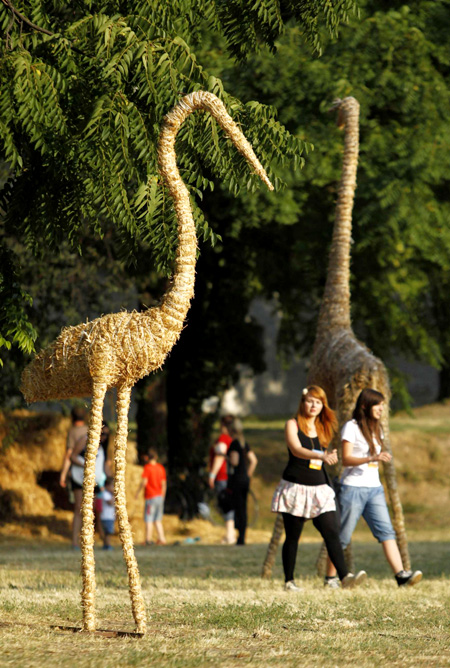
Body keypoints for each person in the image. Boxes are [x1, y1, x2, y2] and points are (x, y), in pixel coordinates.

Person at [271, 385, 367, 591]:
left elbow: (324, 454)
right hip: (296, 487)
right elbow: (297, 450)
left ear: (323, 406)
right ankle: (289, 581)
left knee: (332, 531)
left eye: (318, 402)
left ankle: (344, 578)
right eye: (310, 401)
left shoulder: (324, 427)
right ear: (302, 402)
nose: (314, 405)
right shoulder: (292, 424)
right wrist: (321, 456)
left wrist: (328, 457)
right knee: (293, 536)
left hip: (319, 488)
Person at [326, 388, 422, 587]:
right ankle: (330, 579)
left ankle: (401, 576)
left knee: (387, 532)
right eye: (377, 404)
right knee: (342, 536)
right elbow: (346, 459)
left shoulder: (377, 429)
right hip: (352, 489)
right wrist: (372, 458)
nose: (381, 409)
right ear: (364, 406)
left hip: (374, 489)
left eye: (382, 404)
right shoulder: (351, 427)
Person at [69, 428, 109, 549]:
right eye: (102, 434)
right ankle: (75, 542)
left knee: (95, 510)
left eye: (106, 435)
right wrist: (85, 465)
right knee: (79, 509)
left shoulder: (102, 448)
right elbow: (73, 456)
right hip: (79, 478)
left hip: (94, 481)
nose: (104, 437)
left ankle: (101, 541)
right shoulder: (84, 441)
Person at [227, 418, 258, 546]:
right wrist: (248, 474)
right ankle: (243, 535)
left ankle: (240, 536)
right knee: (243, 507)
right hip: (245, 479)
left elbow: (234, 461)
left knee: (238, 507)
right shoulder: (245, 443)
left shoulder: (234, 444)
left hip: (237, 479)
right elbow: (254, 461)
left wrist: (226, 457)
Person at [208, 415, 235, 544]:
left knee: (225, 504)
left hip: (222, 476)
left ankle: (230, 535)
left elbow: (220, 457)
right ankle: (230, 534)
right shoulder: (231, 439)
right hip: (229, 475)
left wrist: (212, 475)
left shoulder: (223, 439)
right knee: (229, 504)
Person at [135, 448, 167, 546]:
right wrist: (163, 496)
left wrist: (137, 492)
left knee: (149, 519)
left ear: (147, 458)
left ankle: (148, 539)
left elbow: (144, 482)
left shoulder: (148, 468)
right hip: (159, 497)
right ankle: (162, 538)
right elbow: (164, 484)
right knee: (157, 519)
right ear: (156, 457)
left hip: (150, 496)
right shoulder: (161, 468)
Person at [59, 406, 88, 490]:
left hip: (77, 470)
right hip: (93, 469)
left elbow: (69, 453)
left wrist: (63, 474)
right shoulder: (89, 429)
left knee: (79, 501)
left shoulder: (72, 431)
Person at [100, 477, 116, 551]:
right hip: (106, 517)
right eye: (112, 486)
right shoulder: (105, 494)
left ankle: (106, 545)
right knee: (108, 532)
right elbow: (110, 503)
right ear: (107, 486)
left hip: (110, 517)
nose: (114, 488)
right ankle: (108, 545)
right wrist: (114, 496)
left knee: (108, 532)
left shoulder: (108, 494)